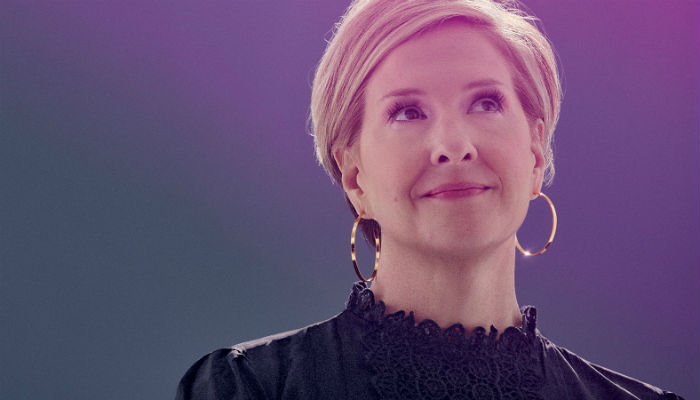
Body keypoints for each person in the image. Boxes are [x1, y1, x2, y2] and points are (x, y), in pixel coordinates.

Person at [175, 0, 685, 398]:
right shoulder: (250, 388)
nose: (454, 146)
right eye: (407, 112)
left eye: (485, 103)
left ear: (535, 153)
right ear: (354, 177)